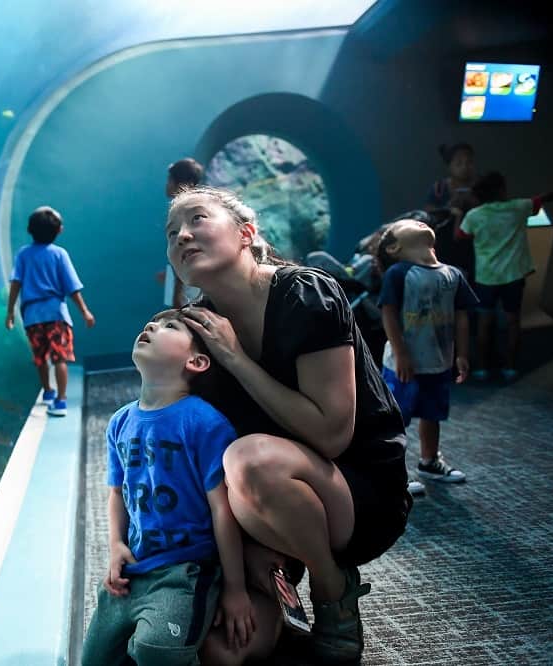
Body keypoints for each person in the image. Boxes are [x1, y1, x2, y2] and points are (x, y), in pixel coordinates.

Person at [164, 186, 411, 665]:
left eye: (197, 219)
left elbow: (331, 435)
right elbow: (193, 454)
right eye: (172, 233)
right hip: (259, 511)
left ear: (246, 234)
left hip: (357, 495)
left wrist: (235, 357)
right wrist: (246, 550)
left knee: (250, 459)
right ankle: (280, 593)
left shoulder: (305, 293)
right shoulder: (194, 329)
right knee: (221, 651)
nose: (183, 235)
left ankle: (332, 587)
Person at [81, 309, 271, 665]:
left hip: (184, 571)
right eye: (150, 323)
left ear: (196, 361)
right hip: (132, 572)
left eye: (169, 327)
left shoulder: (203, 422)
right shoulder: (120, 422)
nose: (150, 325)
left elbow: (222, 509)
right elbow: (117, 493)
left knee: (157, 652)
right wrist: (116, 545)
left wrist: (234, 587)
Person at [376, 212, 478, 485]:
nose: (419, 222)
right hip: (403, 364)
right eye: (405, 224)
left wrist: (463, 353)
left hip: (439, 362)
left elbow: (462, 316)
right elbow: (388, 313)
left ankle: (429, 461)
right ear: (393, 248)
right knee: (397, 418)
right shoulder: (399, 273)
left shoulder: (453, 274)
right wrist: (401, 354)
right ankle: (392, 472)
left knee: (432, 414)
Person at [458, 173, 553, 381]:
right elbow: (546, 197)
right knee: (512, 322)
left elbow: (461, 235)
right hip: (513, 276)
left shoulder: (474, 215)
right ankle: (510, 367)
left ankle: (482, 369)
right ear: (501, 190)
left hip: (486, 277)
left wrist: (459, 211)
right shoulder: (518, 207)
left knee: (484, 322)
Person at [5, 206, 95, 416]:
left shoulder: (24, 254)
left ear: (29, 229)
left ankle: (47, 391)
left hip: (32, 317)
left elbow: (16, 283)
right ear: (59, 230)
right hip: (56, 315)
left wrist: (10, 312)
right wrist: (85, 311)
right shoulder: (59, 254)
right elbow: (71, 287)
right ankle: (61, 401)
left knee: (40, 357)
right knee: (60, 358)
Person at [424, 142, 478, 281]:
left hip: (474, 248)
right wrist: (448, 207)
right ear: (449, 166)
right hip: (444, 247)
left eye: (469, 162)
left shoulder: (480, 187)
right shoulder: (439, 188)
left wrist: (474, 202)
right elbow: (428, 213)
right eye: (459, 163)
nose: (465, 167)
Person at [159, 158, 205, 308]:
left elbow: (182, 250)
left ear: (179, 183)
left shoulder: (182, 212)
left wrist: (177, 295)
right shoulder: (198, 207)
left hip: (190, 287)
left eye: (169, 180)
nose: (167, 184)